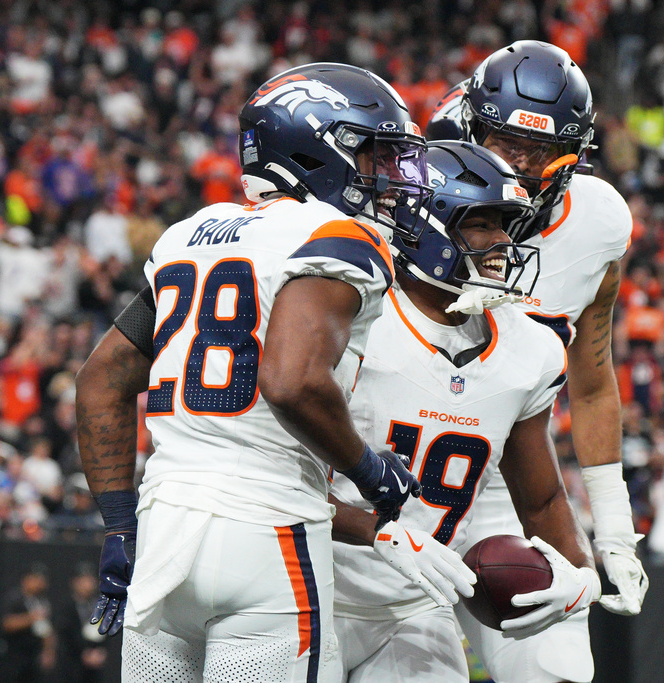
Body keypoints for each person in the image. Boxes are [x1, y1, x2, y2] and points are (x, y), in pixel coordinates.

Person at [76, 63, 429, 681]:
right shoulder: (339, 236)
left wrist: (119, 526)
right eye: (374, 154)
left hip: (163, 529)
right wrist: (370, 472)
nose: (391, 175)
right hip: (269, 531)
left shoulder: (189, 234)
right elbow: (292, 382)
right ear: (316, 151)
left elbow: (100, 380)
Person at [330, 141, 601, 681]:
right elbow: (285, 482)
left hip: (415, 605)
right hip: (315, 583)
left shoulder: (529, 348)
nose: (503, 241)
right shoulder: (356, 318)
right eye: (480, 223)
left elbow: (542, 498)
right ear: (420, 226)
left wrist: (582, 575)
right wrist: (378, 531)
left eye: (504, 224)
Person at [427, 40, 646, 682]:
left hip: (505, 477)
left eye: (538, 150)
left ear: (573, 156)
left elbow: (593, 380)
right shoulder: (414, 198)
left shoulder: (598, 224)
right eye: (503, 142)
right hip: (391, 472)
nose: (517, 165)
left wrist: (613, 525)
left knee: (556, 669)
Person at [0, 564, 56, 683]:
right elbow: (7, 623)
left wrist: (48, 650)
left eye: (41, 580)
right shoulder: (14, 599)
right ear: (26, 580)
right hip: (15, 655)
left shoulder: (42, 601)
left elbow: (48, 630)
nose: (38, 583)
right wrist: (31, 618)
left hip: (35, 655)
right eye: (35, 579)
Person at [56, 563, 111, 683]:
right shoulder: (67, 607)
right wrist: (83, 652)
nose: (87, 585)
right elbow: (66, 633)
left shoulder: (99, 606)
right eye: (83, 581)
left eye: (90, 580)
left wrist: (100, 651)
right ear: (74, 582)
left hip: (95, 665)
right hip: (72, 665)